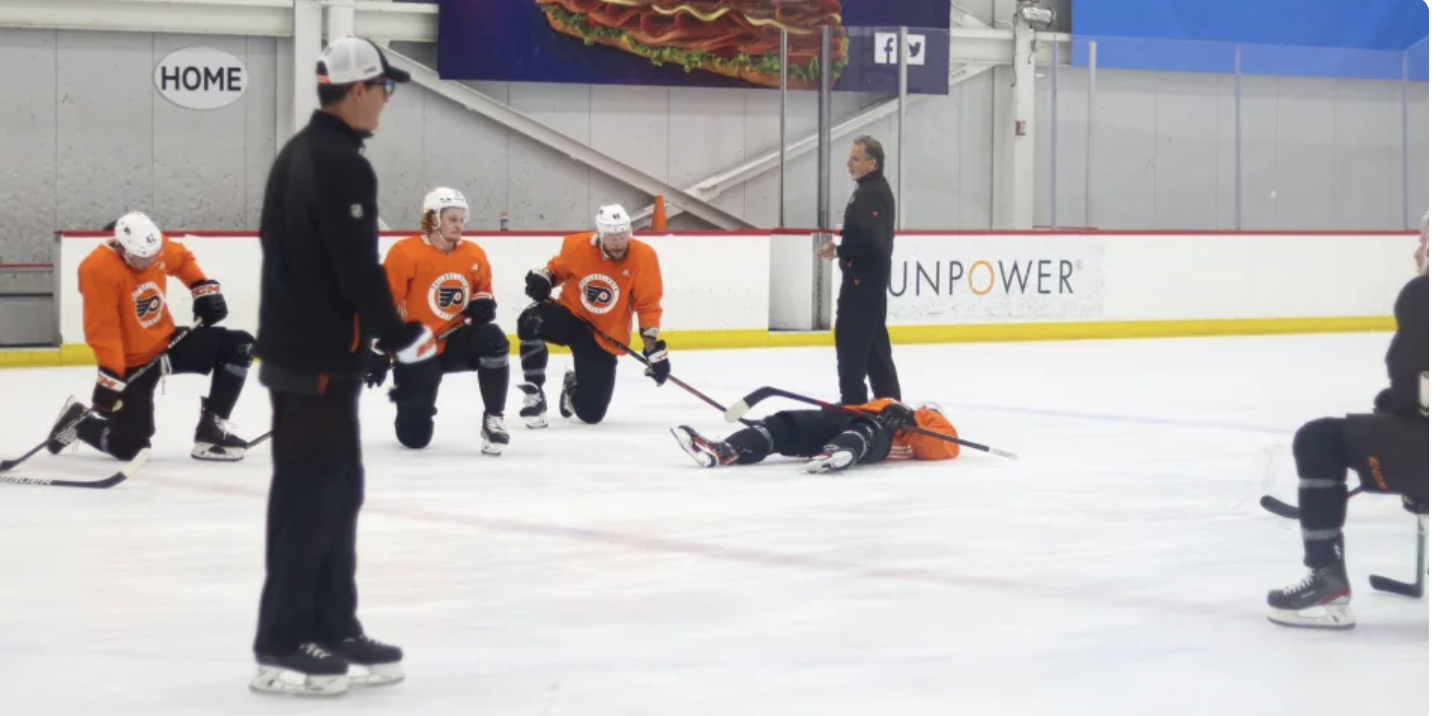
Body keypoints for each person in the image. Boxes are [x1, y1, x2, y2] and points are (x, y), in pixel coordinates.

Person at [249, 36, 437, 697]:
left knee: (335, 492)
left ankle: (331, 624)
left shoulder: (299, 154)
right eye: (383, 89)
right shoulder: (339, 163)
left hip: (311, 355)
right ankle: (283, 639)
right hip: (317, 360)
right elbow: (356, 267)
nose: (385, 101)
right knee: (312, 497)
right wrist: (400, 336)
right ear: (357, 89)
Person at [1265, 215, 1429, 630]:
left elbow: (1410, 381)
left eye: (1424, 242)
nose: (1417, 253)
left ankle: (1327, 581)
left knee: (1318, 439)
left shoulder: (1422, 295)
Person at [46, 211, 253, 462]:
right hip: (132, 363)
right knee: (130, 448)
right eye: (141, 258)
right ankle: (80, 424)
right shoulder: (98, 269)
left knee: (239, 345)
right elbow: (103, 331)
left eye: (153, 256)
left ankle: (212, 430)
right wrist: (110, 380)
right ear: (122, 248)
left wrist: (201, 287)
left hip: (167, 342)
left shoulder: (151, 246)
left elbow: (182, 260)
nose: (150, 262)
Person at [365, 187, 511, 454]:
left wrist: (483, 302)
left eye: (462, 219)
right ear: (433, 219)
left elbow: (484, 290)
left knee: (492, 338)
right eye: (452, 219)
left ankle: (494, 419)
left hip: (454, 340)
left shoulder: (474, 254)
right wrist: (379, 349)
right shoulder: (405, 253)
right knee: (414, 438)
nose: (459, 225)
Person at [516, 203, 669, 426]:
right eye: (612, 237)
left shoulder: (644, 257)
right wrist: (544, 279)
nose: (619, 243)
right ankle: (535, 394)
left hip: (603, 336)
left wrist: (653, 351)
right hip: (570, 316)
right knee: (531, 321)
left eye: (623, 236)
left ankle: (571, 388)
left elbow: (648, 306)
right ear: (600, 234)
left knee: (591, 414)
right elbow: (556, 270)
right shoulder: (576, 246)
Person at [819, 135, 900, 406]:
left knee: (851, 342)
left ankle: (853, 403)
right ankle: (889, 402)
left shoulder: (872, 193)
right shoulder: (867, 189)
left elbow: (872, 239)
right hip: (865, 281)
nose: (848, 164)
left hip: (863, 282)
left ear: (872, 163)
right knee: (874, 345)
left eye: (855, 159)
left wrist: (840, 250)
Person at [671, 399, 958, 473]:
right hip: (846, 419)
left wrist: (910, 422)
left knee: (866, 429)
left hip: (875, 435)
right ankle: (724, 449)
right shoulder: (885, 402)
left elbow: (943, 447)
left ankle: (838, 451)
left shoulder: (926, 419)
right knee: (783, 425)